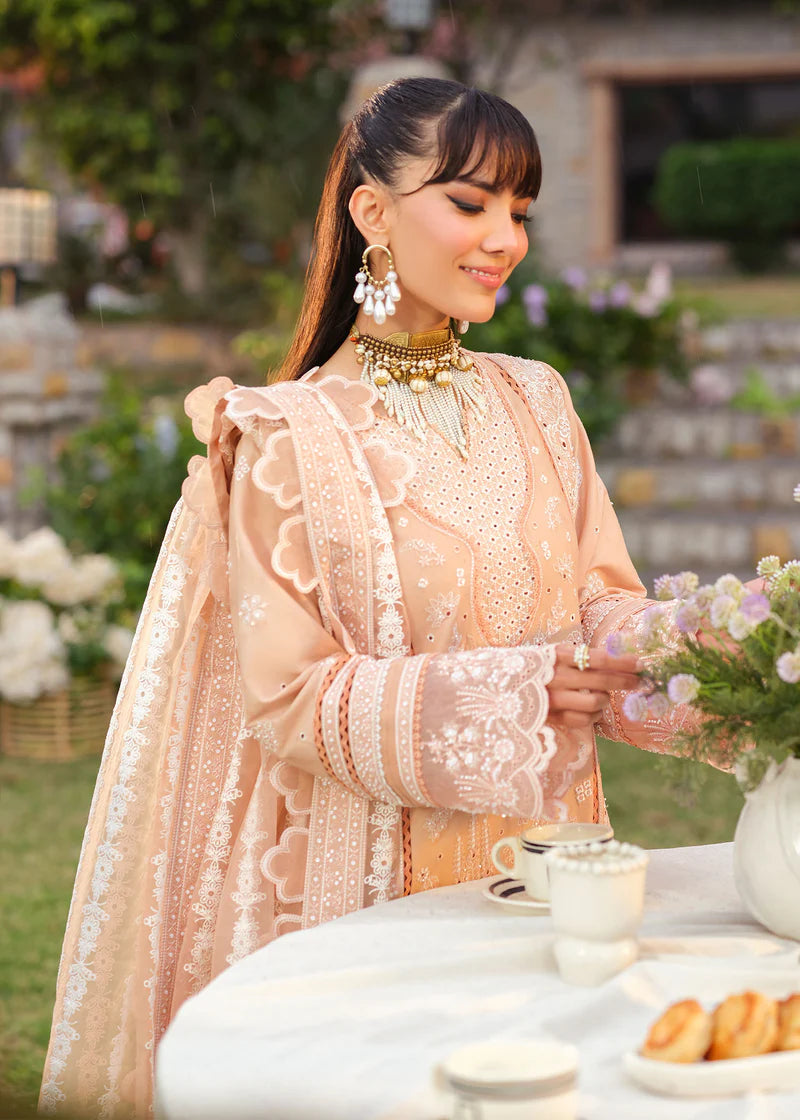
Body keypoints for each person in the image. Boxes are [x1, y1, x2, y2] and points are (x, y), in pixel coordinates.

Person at [41, 77, 692, 1119]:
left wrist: (731, 652)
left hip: (540, 886)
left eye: (518, 211)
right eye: (471, 202)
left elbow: (600, 611)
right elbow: (287, 694)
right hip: (354, 906)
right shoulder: (286, 437)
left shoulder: (535, 398)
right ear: (371, 211)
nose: (503, 237)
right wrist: (520, 690)